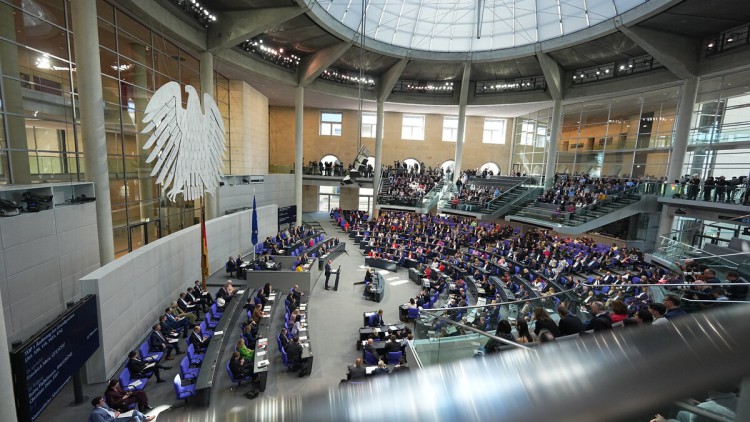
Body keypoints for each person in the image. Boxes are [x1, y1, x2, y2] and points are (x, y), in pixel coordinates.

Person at [88, 396, 153, 422]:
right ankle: (146, 418)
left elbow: (109, 408)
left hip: (117, 415)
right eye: (102, 401)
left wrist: (116, 411)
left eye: (103, 400)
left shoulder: (103, 405)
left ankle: (145, 418)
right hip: (114, 420)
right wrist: (114, 416)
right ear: (97, 404)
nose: (104, 401)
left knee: (135, 417)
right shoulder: (95, 413)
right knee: (134, 412)